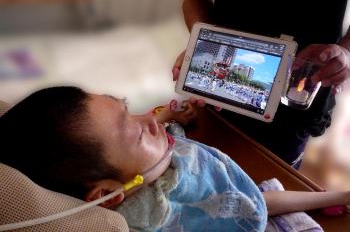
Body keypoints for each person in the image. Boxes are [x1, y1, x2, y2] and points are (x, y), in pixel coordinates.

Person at [0, 87, 349, 231]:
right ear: (109, 192)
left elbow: (242, 197)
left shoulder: (144, 159)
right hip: (229, 210)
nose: (148, 121)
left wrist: (169, 114)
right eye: (136, 131)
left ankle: (336, 196)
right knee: (251, 200)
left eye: (127, 109)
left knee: (250, 196)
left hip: (236, 194)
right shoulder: (155, 218)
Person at [172, 0, 350, 165]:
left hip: (296, 101)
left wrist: (346, 51)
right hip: (215, 102)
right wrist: (204, 41)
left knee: (266, 189)